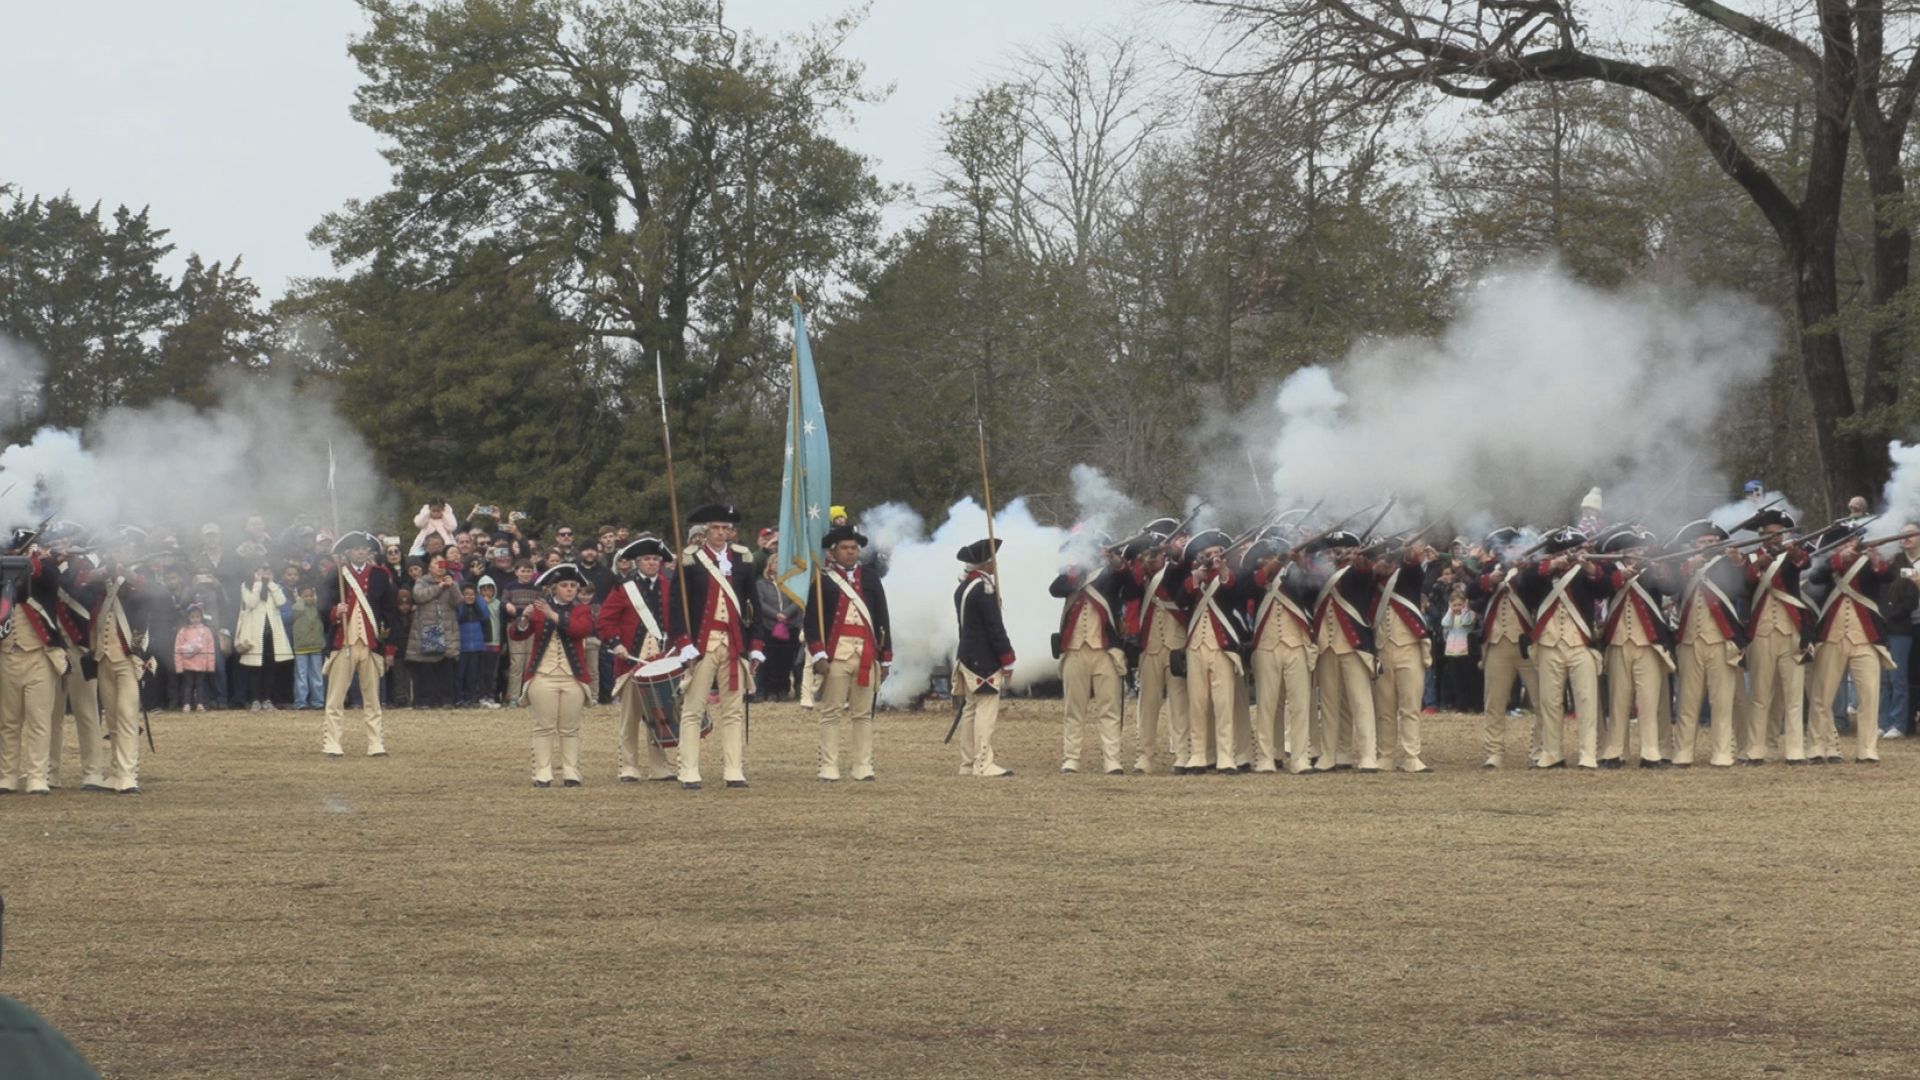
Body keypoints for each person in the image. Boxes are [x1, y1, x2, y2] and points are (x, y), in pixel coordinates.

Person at [670, 504, 763, 790]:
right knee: (693, 709)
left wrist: (756, 645)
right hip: (702, 645)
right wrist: (684, 643)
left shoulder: (743, 560)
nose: (721, 533)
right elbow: (675, 606)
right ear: (705, 531)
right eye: (715, 528)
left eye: (726, 528)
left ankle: (734, 770)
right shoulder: (690, 561)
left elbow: (753, 605)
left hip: (734, 643)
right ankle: (688, 771)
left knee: (733, 710)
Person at [804, 524, 893, 782]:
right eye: (845, 548)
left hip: (866, 652)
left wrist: (885, 655)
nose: (851, 552)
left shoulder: (870, 577)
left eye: (854, 548)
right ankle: (828, 767)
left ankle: (863, 766)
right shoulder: (822, 579)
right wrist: (818, 654)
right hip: (836, 654)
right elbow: (812, 621)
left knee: (863, 714)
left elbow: (882, 616)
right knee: (831, 712)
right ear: (833, 552)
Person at [1807, 537, 1899, 763]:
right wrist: (1839, 558)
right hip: (1830, 636)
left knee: (1868, 697)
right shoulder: (1830, 563)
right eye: (1843, 543)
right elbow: (1815, 577)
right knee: (1822, 697)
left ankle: (1867, 749)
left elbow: (1888, 576)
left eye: (1851, 543)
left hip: (1866, 638)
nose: (1848, 547)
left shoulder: (1869, 562)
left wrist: (1877, 557)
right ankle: (1818, 746)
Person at [598, 537, 680, 782]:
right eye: (647, 559)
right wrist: (616, 644)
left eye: (655, 559)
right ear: (637, 562)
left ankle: (659, 767)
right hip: (631, 661)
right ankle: (629, 766)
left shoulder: (669, 586)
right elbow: (604, 621)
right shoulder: (624, 587)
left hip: (662, 659)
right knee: (630, 717)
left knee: (659, 715)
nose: (652, 563)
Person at [1669, 519, 1748, 768]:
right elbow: (1668, 585)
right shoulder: (1683, 565)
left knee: (1722, 702)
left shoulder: (1728, 564)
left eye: (1714, 542)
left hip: (1721, 640)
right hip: (1689, 641)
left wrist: (1737, 562)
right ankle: (1683, 752)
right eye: (1705, 542)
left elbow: (1745, 587)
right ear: (1694, 545)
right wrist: (1689, 566)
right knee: (1687, 702)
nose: (1710, 546)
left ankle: (1722, 752)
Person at [508, 563, 595, 786]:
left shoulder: (582, 610)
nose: (570, 589)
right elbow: (517, 635)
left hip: (572, 676)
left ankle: (570, 771)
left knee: (569, 728)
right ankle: (542, 771)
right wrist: (525, 618)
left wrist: (552, 615)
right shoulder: (538, 608)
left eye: (573, 586)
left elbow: (580, 630)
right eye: (565, 585)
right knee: (544, 726)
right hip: (543, 675)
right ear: (554, 588)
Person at [79, 529, 152, 793]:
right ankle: (115, 772)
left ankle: (128, 774)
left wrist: (127, 574)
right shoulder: (104, 578)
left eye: (123, 547)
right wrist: (103, 572)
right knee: (111, 717)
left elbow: (152, 594)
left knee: (127, 715)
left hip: (128, 657)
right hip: (103, 656)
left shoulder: (142, 574)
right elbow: (78, 586)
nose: (118, 551)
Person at [1048, 533, 1126, 775]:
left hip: (1105, 651)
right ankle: (1071, 758)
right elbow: (1056, 589)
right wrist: (1080, 568)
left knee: (1109, 710)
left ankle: (1112, 760)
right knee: (1074, 709)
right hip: (1074, 650)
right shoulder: (1072, 575)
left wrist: (1115, 562)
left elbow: (1128, 584)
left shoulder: (1111, 574)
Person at [319, 532, 401, 758]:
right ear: (348, 552)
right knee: (335, 699)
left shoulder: (380, 575)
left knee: (372, 699)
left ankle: (376, 743)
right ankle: (332, 743)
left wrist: (391, 647)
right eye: (356, 549)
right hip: (342, 642)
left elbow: (389, 611)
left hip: (370, 643)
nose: (361, 552)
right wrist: (337, 612)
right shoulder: (335, 574)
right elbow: (322, 606)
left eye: (364, 549)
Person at [1305, 529, 1381, 772]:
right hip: (1325, 646)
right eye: (1331, 551)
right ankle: (1331, 754)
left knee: (1361, 703)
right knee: (1328, 705)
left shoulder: (1358, 572)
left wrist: (1359, 563)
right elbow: (1308, 589)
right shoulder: (1320, 577)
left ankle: (1368, 755)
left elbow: (1362, 576)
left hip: (1353, 645)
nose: (1334, 555)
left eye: (1341, 551)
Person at [1596, 527, 1672, 768]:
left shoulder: (1653, 569)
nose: (1637, 554)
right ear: (1621, 552)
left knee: (1648, 701)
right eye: (1632, 550)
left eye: (1640, 549)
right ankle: (1614, 752)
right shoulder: (1609, 571)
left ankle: (1650, 753)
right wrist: (1622, 576)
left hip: (1648, 642)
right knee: (1619, 700)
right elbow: (1601, 588)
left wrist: (1660, 573)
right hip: (1618, 641)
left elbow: (1671, 589)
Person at [1742, 511, 1813, 764]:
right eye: (1771, 533)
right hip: (1761, 633)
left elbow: (1804, 562)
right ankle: (1755, 749)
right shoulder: (1749, 558)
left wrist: (1792, 551)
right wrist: (1759, 563)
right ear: (1761, 535)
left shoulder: (1791, 554)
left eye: (1779, 533)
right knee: (1760, 695)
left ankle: (1795, 751)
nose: (1775, 537)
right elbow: (1745, 583)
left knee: (1794, 696)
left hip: (1792, 631)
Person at [1244, 537, 1316, 773]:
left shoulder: (1294, 576)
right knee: (1267, 706)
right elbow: (1252, 585)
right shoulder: (1256, 579)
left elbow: (1311, 590)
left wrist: (1300, 563)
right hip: (1265, 646)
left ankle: (1300, 757)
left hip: (1296, 644)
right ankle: (1266, 757)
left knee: (1300, 705)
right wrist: (1273, 565)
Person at [0, 543, 68, 795]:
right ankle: (7, 776)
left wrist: (36, 560)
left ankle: (37, 776)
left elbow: (54, 581)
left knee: (39, 721)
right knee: (8, 722)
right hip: (7, 656)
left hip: (39, 655)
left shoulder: (43, 570)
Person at [1474, 528, 1542, 768]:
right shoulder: (1490, 568)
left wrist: (1523, 573)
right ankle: (1494, 753)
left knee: (1540, 701)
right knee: (1494, 702)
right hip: (1495, 643)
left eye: (1509, 546)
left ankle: (1539, 751)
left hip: (1526, 644)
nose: (1504, 550)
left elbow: (1537, 592)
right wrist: (1489, 580)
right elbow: (1472, 591)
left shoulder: (1531, 570)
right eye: (1501, 547)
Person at [1371, 539, 1436, 772]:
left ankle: (1411, 756)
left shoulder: (1407, 576)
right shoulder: (1372, 580)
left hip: (1409, 647)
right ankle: (1385, 755)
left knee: (1410, 707)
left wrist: (1409, 555)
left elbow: (1414, 570)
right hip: (1382, 650)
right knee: (1384, 709)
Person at [953, 538, 1014, 778]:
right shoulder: (985, 588)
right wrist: (1007, 657)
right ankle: (983, 763)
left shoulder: (964, 587)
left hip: (967, 655)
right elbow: (994, 627)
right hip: (983, 659)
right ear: (985, 564)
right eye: (992, 561)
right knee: (985, 712)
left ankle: (967, 763)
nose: (995, 565)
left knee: (970, 710)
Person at [1878, 524, 1920, 741]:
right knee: (1888, 677)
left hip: (1909, 623)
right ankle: (1888, 722)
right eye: (1902, 534)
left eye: (1911, 534)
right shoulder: (1894, 561)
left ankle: (1900, 722)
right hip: (1900, 625)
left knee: (1902, 677)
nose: (1906, 538)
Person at [234, 563, 292, 711]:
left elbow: (282, 601)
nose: (264, 573)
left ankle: (267, 699)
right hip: (255, 634)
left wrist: (271, 583)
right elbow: (251, 602)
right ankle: (255, 700)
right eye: (260, 570)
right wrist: (258, 584)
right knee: (255, 668)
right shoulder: (246, 585)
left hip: (272, 633)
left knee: (270, 667)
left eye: (267, 570)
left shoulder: (273, 587)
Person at [407, 558, 460, 709]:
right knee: (428, 666)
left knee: (446, 665)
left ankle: (447, 700)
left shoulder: (451, 581)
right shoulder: (422, 581)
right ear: (429, 567)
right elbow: (419, 596)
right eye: (437, 564)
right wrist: (439, 586)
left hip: (447, 627)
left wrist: (452, 586)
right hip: (430, 627)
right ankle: (426, 700)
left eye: (443, 564)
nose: (440, 567)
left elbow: (458, 602)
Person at [753, 558, 802, 701]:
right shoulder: (761, 584)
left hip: (789, 626)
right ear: (769, 566)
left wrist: (786, 614)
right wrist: (776, 615)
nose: (778, 565)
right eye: (775, 562)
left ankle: (783, 689)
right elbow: (760, 603)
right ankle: (771, 690)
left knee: (786, 660)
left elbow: (797, 600)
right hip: (769, 626)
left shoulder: (791, 583)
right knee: (770, 660)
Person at [499, 560, 542, 704]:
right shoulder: (510, 587)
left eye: (529, 571)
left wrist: (528, 612)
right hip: (514, 626)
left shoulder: (537, 588)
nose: (526, 574)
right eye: (523, 571)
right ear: (516, 572)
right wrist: (516, 609)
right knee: (516, 662)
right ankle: (513, 697)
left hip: (532, 627)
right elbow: (504, 603)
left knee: (530, 662)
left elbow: (540, 606)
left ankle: (528, 697)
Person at [1438, 587, 1477, 713]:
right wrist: (1450, 611)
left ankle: (1474, 705)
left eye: (1460, 604)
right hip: (1452, 652)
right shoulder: (1450, 616)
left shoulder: (1470, 614)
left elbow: (1467, 622)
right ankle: (1461, 707)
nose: (1457, 607)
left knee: (1469, 680)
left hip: (1466, 651)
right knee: (1457, 680)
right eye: (1454, 605)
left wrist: (1465, 609)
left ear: (1465, 603)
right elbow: (1445, 623)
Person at [288, 584, 327, 710]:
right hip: (301, 648)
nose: (308, 598)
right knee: (301, 675)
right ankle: (301, 702)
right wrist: (299, 600)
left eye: (310, 595)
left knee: (317, 675)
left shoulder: (318, 608)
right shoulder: (296, 608)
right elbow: (297, 609)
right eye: (305, 596)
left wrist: (316, 599)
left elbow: (323, 610)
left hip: (316, 646)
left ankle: (318, 701)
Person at [173, 604, 216, 714]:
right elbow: (177, 649)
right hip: (187, 664)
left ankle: (200, 703)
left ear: (201, 617)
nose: (195, 619)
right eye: (192, 617)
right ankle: (186, 703)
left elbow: (211, 649)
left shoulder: (206, 631)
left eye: (197, 617)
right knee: (187, 685)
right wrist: (179, 666)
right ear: (188, 617)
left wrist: (210, 665)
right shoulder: (183, 631)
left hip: (201, 664)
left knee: (200, 685)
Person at [473, 576, 505, 708]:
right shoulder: (476, 604)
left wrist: (503, 642)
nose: (487, 593)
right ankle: (481, 696)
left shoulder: (498, 604)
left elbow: (502, 624)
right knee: (480, 671)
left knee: (492, 673)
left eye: (489, 589)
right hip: (480, 642)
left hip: (495, 642)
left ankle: (491, 696)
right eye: (483, 590)